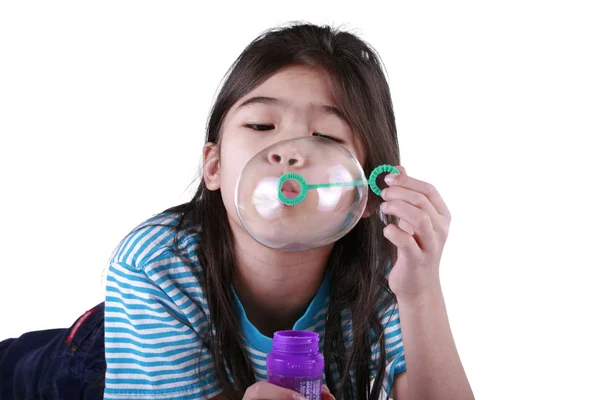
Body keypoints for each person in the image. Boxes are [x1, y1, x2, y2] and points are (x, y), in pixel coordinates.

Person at [0, 23, 474, 400]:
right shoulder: (156, 262)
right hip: (69, 374)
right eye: (261, 124)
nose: (288, 153)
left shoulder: (386, 278)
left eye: (326, 137)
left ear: (368, 193)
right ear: (214, 166)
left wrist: (421, 290)